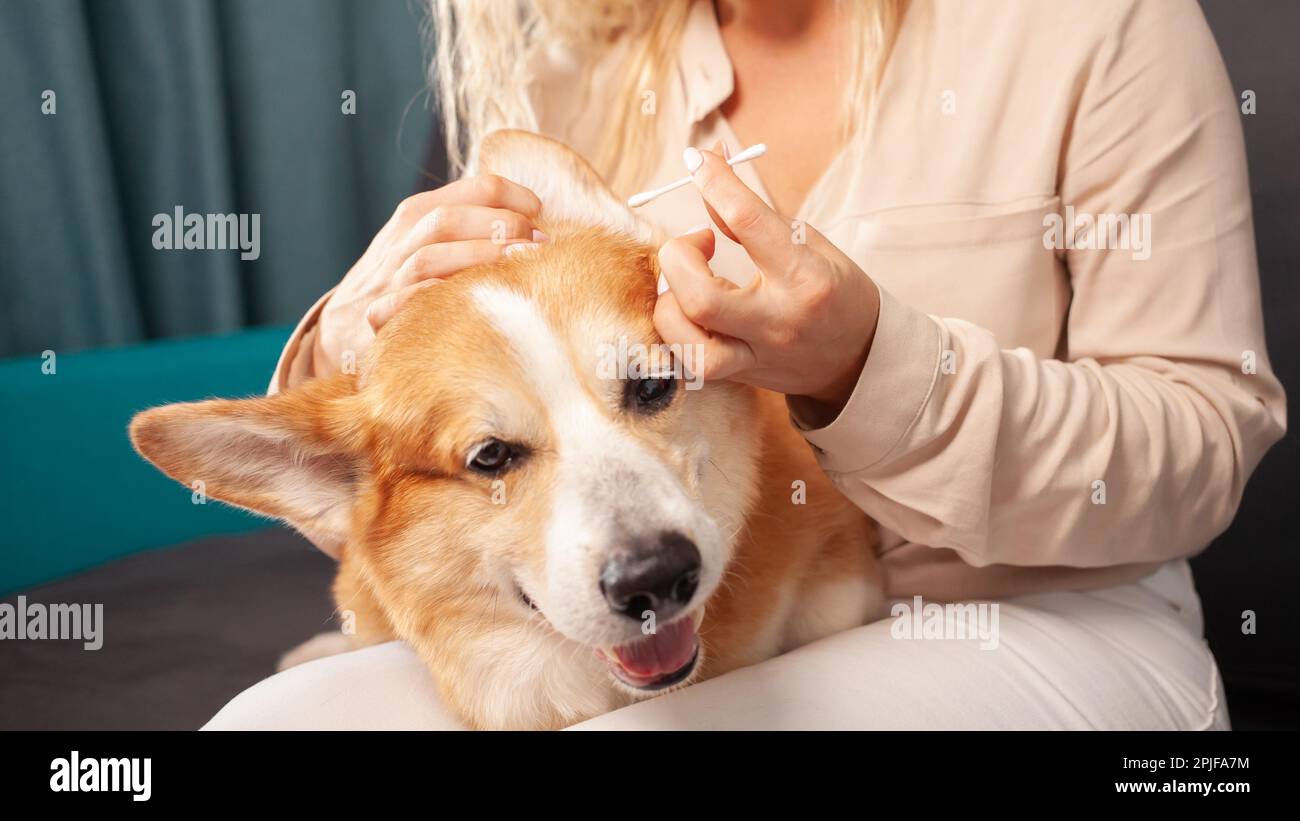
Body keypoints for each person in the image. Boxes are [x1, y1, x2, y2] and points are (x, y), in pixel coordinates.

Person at [206, 0, 1285, 729]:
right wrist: (350, 339)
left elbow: (1198, 451)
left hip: (1040, 610)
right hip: (684, 624)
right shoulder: (572, 71)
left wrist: (865, 368)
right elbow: (441, 485)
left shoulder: (1094, 27)